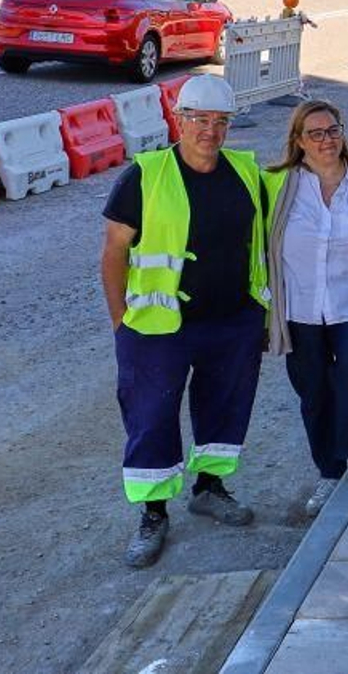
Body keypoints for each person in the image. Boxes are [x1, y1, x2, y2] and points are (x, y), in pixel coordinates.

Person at [101, 75, 270, 569]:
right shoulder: (145, 176)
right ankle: (153, 513)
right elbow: (113, 252)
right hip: (158, 328)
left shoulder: (245, 172)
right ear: (179, 119)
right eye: (198, 120)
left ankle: (210, 488)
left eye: (220, 122)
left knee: (224, 409)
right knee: (151, 417)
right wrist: (120, 322)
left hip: (232, 321)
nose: (209, 131)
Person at [262, 101, 348, 518]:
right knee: (313, 388)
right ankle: (328, 470)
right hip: (301, 307)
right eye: (315, 133)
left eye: (333, 130)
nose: (326, 140)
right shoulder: (276, 184)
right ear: (298, 141)